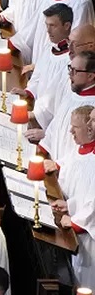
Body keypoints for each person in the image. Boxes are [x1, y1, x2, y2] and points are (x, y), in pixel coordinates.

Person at [50, 106, 95, 287]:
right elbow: (87, 191)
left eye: (92, 121)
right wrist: (71, 205)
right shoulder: (84, 151)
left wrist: (77, 221)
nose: (90, 125)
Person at [18, 4, 73, 129]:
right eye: (46, 25)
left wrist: (35, 114)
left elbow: (54, 95)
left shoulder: (71, 61)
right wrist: (28, 92)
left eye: (52, 25)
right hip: (36, 110)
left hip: (50, 123)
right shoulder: (50, 47)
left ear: (67, 26)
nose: (48, 30)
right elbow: (38, 75)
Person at [39, 51, 95, 163]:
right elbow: (57, 122)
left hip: (71, 167)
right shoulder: (71, 94)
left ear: (90, 76)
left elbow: (85, 144)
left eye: (75, 71)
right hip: (54, 162)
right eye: (70, 68)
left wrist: (60, 165)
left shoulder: (92, 107)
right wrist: (43, 147)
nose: (70, 74)